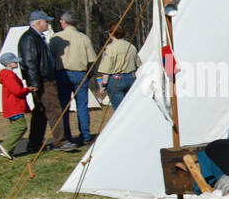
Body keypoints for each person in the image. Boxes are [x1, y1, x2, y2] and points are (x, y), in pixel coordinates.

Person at [16, 10, 74, 153]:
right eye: (45, 21)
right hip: (43, 80)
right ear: (38, 23)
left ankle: (34, 143)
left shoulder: (36, 37)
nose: (48, 24)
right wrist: (35, 82)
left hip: (42, 79)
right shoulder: (30, 38)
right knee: (54, 109)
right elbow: (30, 62)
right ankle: (60, 141)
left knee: (40, 112)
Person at [50, 10, 96, 145]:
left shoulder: (55, 38)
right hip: (81, 73)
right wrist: (88, 75)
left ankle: (67, 136)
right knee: (82, 106)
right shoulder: (84, 38)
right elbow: (92, 60)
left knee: (64, 107)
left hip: (62, 74)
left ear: (64, 22)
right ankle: (85, 135)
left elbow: (50, 58)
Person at [96, 22, 139, 110]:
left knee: (119, 111)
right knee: (131, 108)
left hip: (116, 80)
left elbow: (106, 69)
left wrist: (103, 85)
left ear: (111, 34)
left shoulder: (110, 48)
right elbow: (138, 64)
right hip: (131, 78)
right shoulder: (131, 46)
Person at [0, 52, 30, 159]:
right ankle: (6, 146)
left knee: (16, 127)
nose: (17, 63)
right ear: (9, 63)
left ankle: (8, 151)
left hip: (12, 105)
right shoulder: (9, 75)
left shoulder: (7, 75)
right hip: (14, 105)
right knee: (21, 126)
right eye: (15, 61)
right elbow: (17, 91)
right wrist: (28, 89)